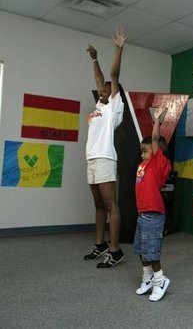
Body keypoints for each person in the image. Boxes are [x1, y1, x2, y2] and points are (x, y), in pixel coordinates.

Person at [84, 28, 127, 268]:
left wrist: (119, 48)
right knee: (98, 205)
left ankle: (115, 249)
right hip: (91, 159)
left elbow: (112, 74)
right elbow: (99, 79)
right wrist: (94, 58)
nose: (102, 89)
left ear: (114, 92)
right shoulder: (99, 103)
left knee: (111, 205)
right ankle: (100, 244)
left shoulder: (113, 106)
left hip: (105, 159)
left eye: (107, 88)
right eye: (101, 89)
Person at [133, 107, 172, 302]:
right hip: (142, 215)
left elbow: (155, 139)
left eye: (145, 151)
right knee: (141, 250)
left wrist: (157, 121)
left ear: (157, 153)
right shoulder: (142, 165)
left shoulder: (158, 164)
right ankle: (147, 278)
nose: (142, 154)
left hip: (154, 215)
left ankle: (160, 279)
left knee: (152, 251)